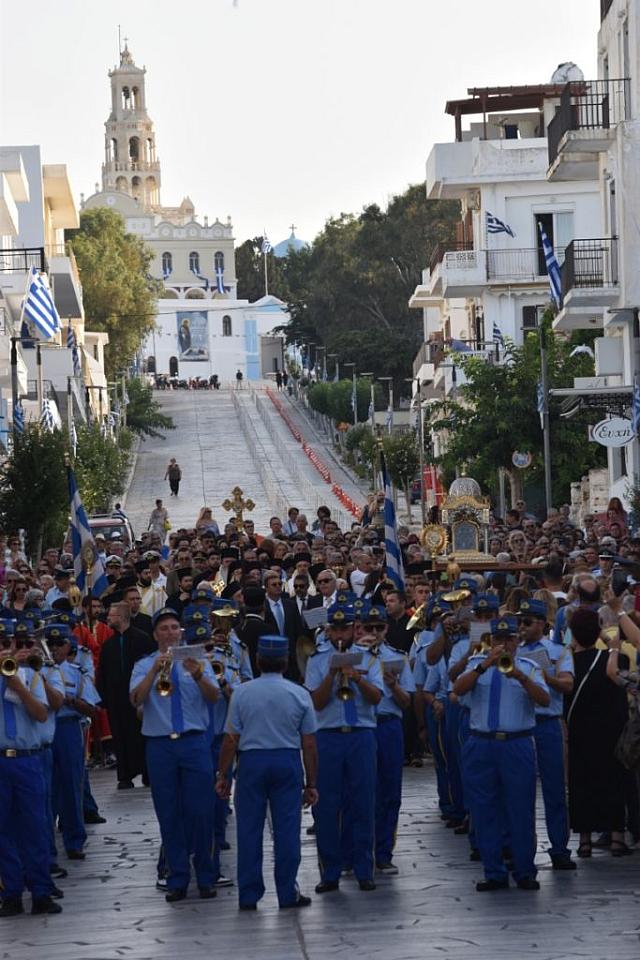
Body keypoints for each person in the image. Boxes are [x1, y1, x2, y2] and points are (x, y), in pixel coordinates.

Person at [216, 635, 318, 910]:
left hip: (252, 762)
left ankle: (249, 894)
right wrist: (311, 782)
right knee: (287, 830)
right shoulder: (299, 693)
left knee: (249, 831)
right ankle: (287, 892)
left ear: (258, 661)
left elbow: (230, 739)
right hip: (286, 761)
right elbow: (309, 742)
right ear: (285, 662)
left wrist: (222, 774)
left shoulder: (242, 693)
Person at [453, 615, 550, 891]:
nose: (504, 645)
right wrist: (484, 665)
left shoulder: (528, 668)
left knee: (520, 808)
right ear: (491, 641)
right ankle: (493, 871)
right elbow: (457, 691)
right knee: (484, 810)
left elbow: (545, 700)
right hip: (481, 743)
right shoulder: (475, 666)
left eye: (510, 639)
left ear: (517, 641)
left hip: (516, 743)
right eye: (499, 639)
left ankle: (524, 870)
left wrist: (519, 676)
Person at [130, 607, 220, 902]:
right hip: (160, 745)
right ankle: (177, 877)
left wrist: (197, 674)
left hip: (194, 742)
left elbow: (214, 696)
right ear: (155, 634)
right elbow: (135, 700)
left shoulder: (198, 660)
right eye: (164, 628)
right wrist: (156, 669)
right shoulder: (144, 664)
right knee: (168, 813)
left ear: (181, 632)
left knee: (201, 811)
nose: (170, 633)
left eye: (174, 627)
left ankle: (206, 876)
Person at [305, 603, 383, 893]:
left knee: (364, 803)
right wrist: (333, 673)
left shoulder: (370, 658)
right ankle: (330, 873)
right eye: (335, 628)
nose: (340, 632)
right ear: (328, 630)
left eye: (345, 627)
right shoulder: (317, 659)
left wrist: (357, 676)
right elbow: (317, 702)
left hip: (361, 734)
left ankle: (364, 869)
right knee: (327, 806)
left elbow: (376, 699)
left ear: (354, 628)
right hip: (328, 736)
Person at [0, 625, 62, 917]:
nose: (7, 648)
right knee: (3, 830)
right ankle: (10, 893)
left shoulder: (31, 674)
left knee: (35, 826)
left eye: (9, 642)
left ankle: (40, 892)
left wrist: (19, 687)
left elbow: (41, 714)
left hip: (26, 758)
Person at [564, 607, 632, 858]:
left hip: (580, 731)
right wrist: (610, 642)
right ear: (599, 630)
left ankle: (584, 841)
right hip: (610, 732)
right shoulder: (613, 660)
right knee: (613, 781)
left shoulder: (568, 665)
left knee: (581, 783)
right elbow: (618, 671)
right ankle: (616, 837)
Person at [516, 598, 575, 870]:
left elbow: (567, 685)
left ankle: (560, 847)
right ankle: (522, 852)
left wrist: (543, 676)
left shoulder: (557, 651)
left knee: (553, 789)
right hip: (520, 725)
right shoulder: (512, 650)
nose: (522, 627)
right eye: (520, 622)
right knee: (520, 792)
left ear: (541, 623)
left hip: (547, 722)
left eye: (527, 623)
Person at [49, 623, 101, 861]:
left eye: (60, 644)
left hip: (68, 727)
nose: (54, 648)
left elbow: (92, 708)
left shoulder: (75, 673)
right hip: (43, 728)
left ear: (69, 645)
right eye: (50, 644)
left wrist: (71, 701)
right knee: (45, 791)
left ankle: (74, 840)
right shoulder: (36, 671)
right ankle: (47, 846)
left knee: (72, 786)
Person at [97, 602, 156, 790]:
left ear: (121, 617)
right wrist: (103, 697)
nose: (108, 618)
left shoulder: (142, 639)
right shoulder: (108, 645)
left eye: (112, 615)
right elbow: (103, 673)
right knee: (120, 735)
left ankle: (148, 771)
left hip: (137, 696)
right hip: (116, 699)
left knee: (142, 733)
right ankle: (124, 775)